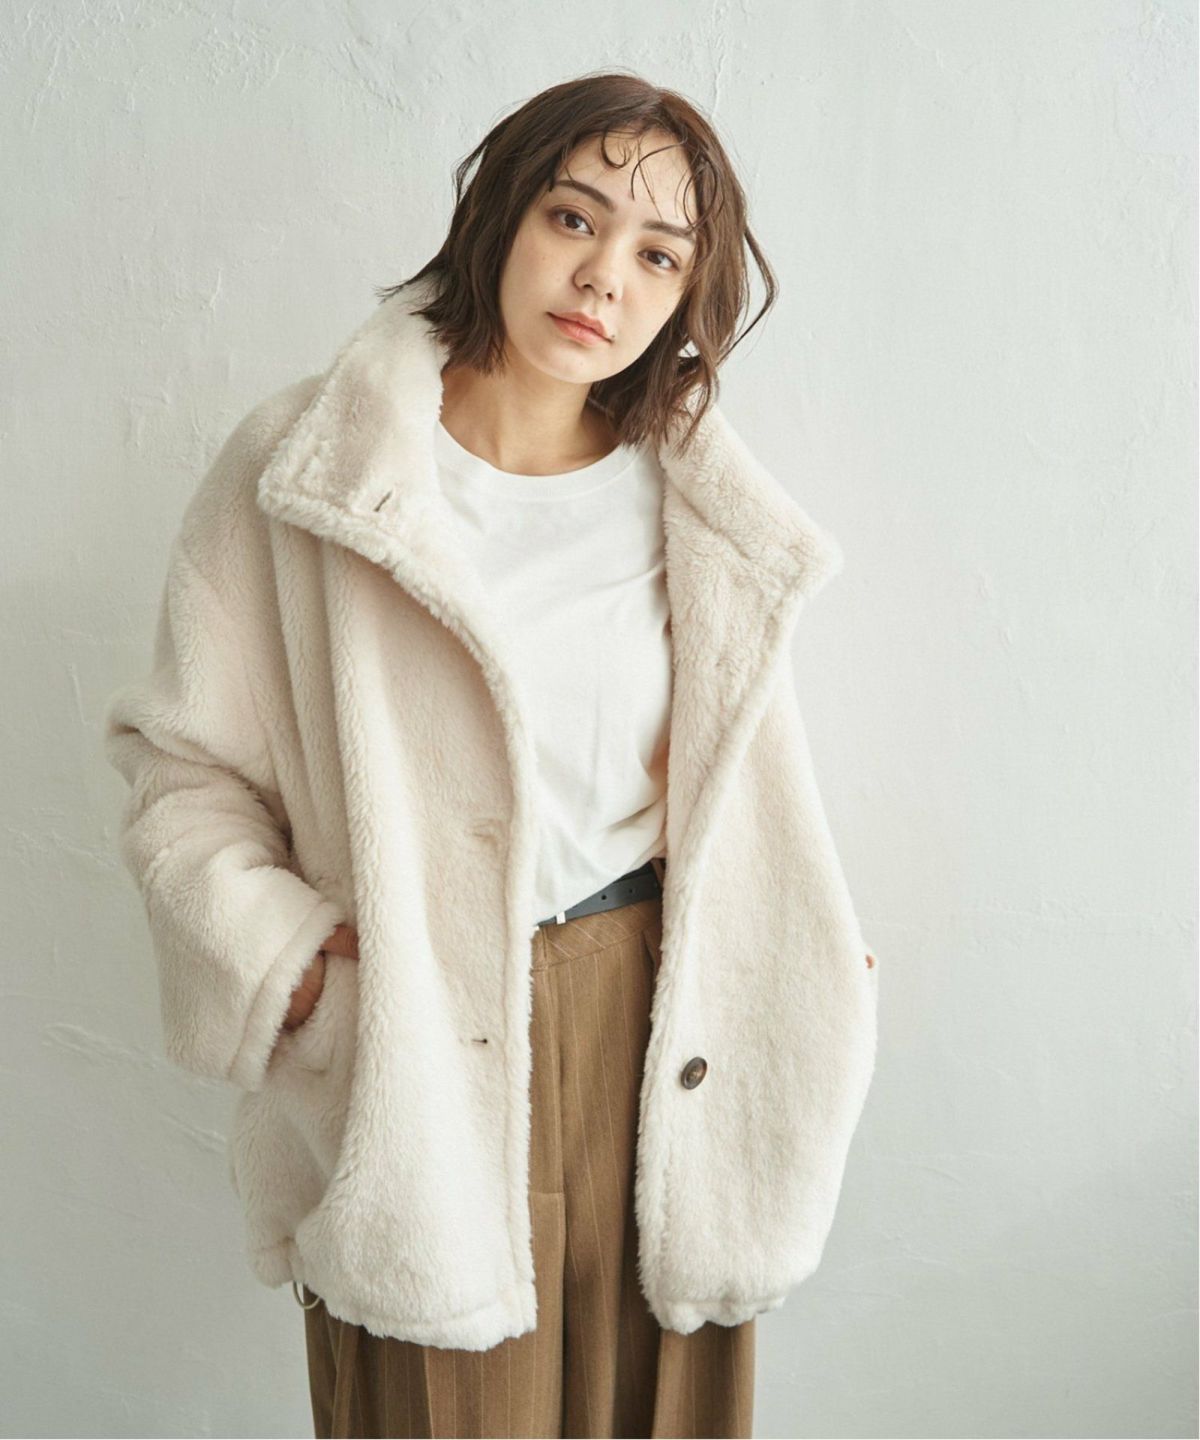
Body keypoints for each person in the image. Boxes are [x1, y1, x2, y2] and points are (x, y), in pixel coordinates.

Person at [103, 71, 879, 1439]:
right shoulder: (310, 466)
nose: (604, 278)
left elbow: (736, 789)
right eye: (573, 218)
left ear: (687, 297)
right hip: (415, 1035)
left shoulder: (691, 497)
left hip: (662, 1020)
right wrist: (293, 973)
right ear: (501, 214)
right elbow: (184, 772)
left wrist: (800, 950)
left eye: (658, 255)